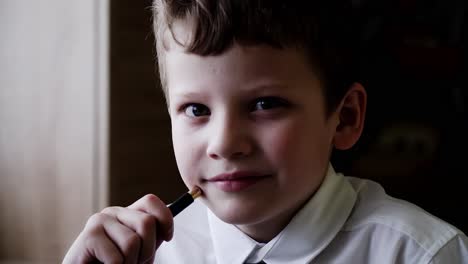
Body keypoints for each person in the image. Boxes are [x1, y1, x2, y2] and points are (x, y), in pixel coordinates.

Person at [63, 0, 468, 263]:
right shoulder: (153, 255)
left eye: (264, 104)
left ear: (343, 118)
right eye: (196, 109)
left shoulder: (421, 255)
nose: (224, 143)